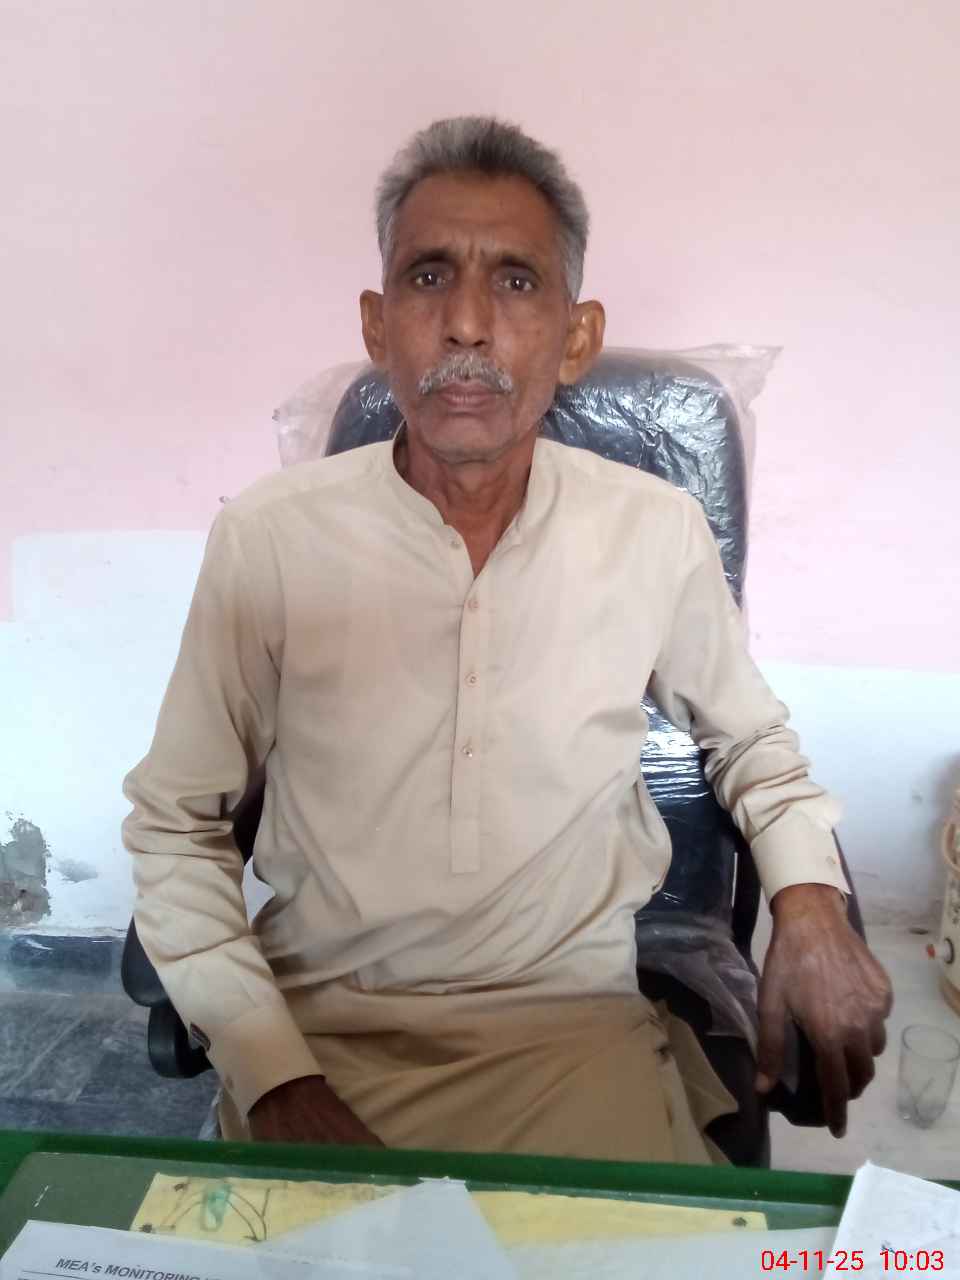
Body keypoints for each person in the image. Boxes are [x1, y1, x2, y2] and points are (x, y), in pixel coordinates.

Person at [122, 115, 892, 1163]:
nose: (468, 325)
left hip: (574, 1040)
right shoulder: (270, 539)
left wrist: (809, 903)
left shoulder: (652, 530)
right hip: (321, 1037)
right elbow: (177, 825)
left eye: (517, 281)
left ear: (575, 336)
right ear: (378, 326)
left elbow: (754, 743)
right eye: (429, 276)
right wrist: (273, 1074)